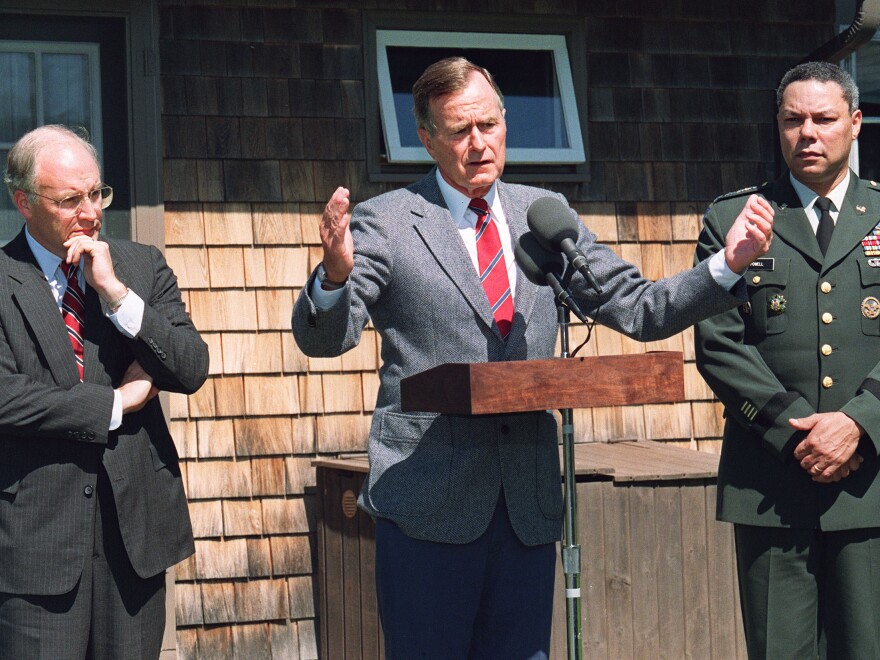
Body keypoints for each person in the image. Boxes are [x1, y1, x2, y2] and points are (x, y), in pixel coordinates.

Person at [293, 56, 774, 659]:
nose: (479, 144)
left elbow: (639, 308)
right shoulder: (388, 221)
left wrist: (727, 264)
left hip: (525, 506)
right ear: (426, 139)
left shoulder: (544, 217)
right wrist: (334, 277)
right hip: (425, 503)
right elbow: (322, 339)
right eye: (460, 131)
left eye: (489, 126)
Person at [694, 61, 880, 659]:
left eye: (824, 119)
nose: (808, 133)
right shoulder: (734, 219)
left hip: (871, 484)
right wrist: (796, 431)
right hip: (771, 483)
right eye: (792, 120)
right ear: (777, 127)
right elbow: (719, 342)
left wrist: (858, 423)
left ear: (855, 124)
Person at [0, 125, 209, 659]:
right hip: (36, 544)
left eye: (97, 193)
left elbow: (189, 368)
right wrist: (115, 403)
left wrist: (117, 295)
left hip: (134, 539)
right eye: (70, 200)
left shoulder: (141, 265)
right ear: (22, 201)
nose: (90, 213)